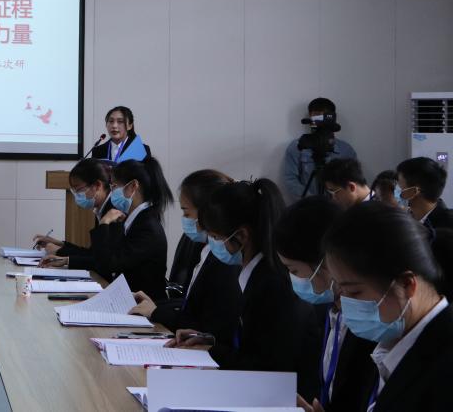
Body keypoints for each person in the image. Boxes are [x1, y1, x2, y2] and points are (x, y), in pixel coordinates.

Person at [170, 178, 318, 401]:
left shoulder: (272, 284)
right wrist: (209, 341)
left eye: (216, 238)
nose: (213, 244)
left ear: (241, 236)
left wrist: (212, 352)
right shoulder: (256, 274)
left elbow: (264, 367)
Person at [323, 201, 453, 411]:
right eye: (341, 290)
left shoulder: (444, 364)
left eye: (355, 292)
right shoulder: (394, 336)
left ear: (406, 284)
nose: (345, 304)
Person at [275, 197, 377, 412]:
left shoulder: (367, 324)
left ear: (326, 261)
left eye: (294, 270)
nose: (293, 279)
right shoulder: (329, 310)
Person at [130, 170, 241, 349]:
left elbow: (210, 324)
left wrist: (156, 312)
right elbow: (193, 308)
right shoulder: (208, 250)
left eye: (187, 214)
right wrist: (155, 306)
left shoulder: (226, 259)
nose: (185, 220)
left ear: (207, 212)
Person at [36, 157, 171, 300]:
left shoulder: (146, 226)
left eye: (115, 187)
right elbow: (103, 257)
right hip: (128, 298)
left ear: (133, 186)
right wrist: (66, 258)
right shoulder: (136, 219)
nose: (112, 192)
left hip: (144, 305)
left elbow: (108, 264)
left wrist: (104, 223)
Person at [283, 98, 357, 201]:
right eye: (316, 118)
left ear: (332, 118)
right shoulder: (298, 146)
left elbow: (354, 181)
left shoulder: (346, 150)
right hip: (308, 205)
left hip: (339, 206)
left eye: (323, 118)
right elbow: (290, 179)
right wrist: (313, 201)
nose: (319, 123)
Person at [395, 157, 452, 231]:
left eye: (399, 184)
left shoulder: (447, 225)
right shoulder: (406, 219)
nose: (395, 189)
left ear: (414, 191)